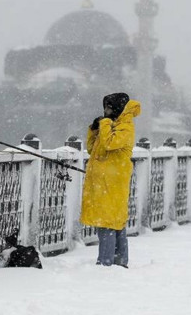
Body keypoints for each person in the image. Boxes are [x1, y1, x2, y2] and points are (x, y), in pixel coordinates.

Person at [81, 93, 140, 268]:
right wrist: (93, 130)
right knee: (114, 221)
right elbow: (94, 150)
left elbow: (109, 144)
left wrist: (105, 123)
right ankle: (119, 261)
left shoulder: (125, 127)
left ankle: (106, 263)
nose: (106, 111)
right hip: (103, 184)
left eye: (109, 108)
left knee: (107, 223)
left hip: (113, 184)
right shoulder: (112, 126)